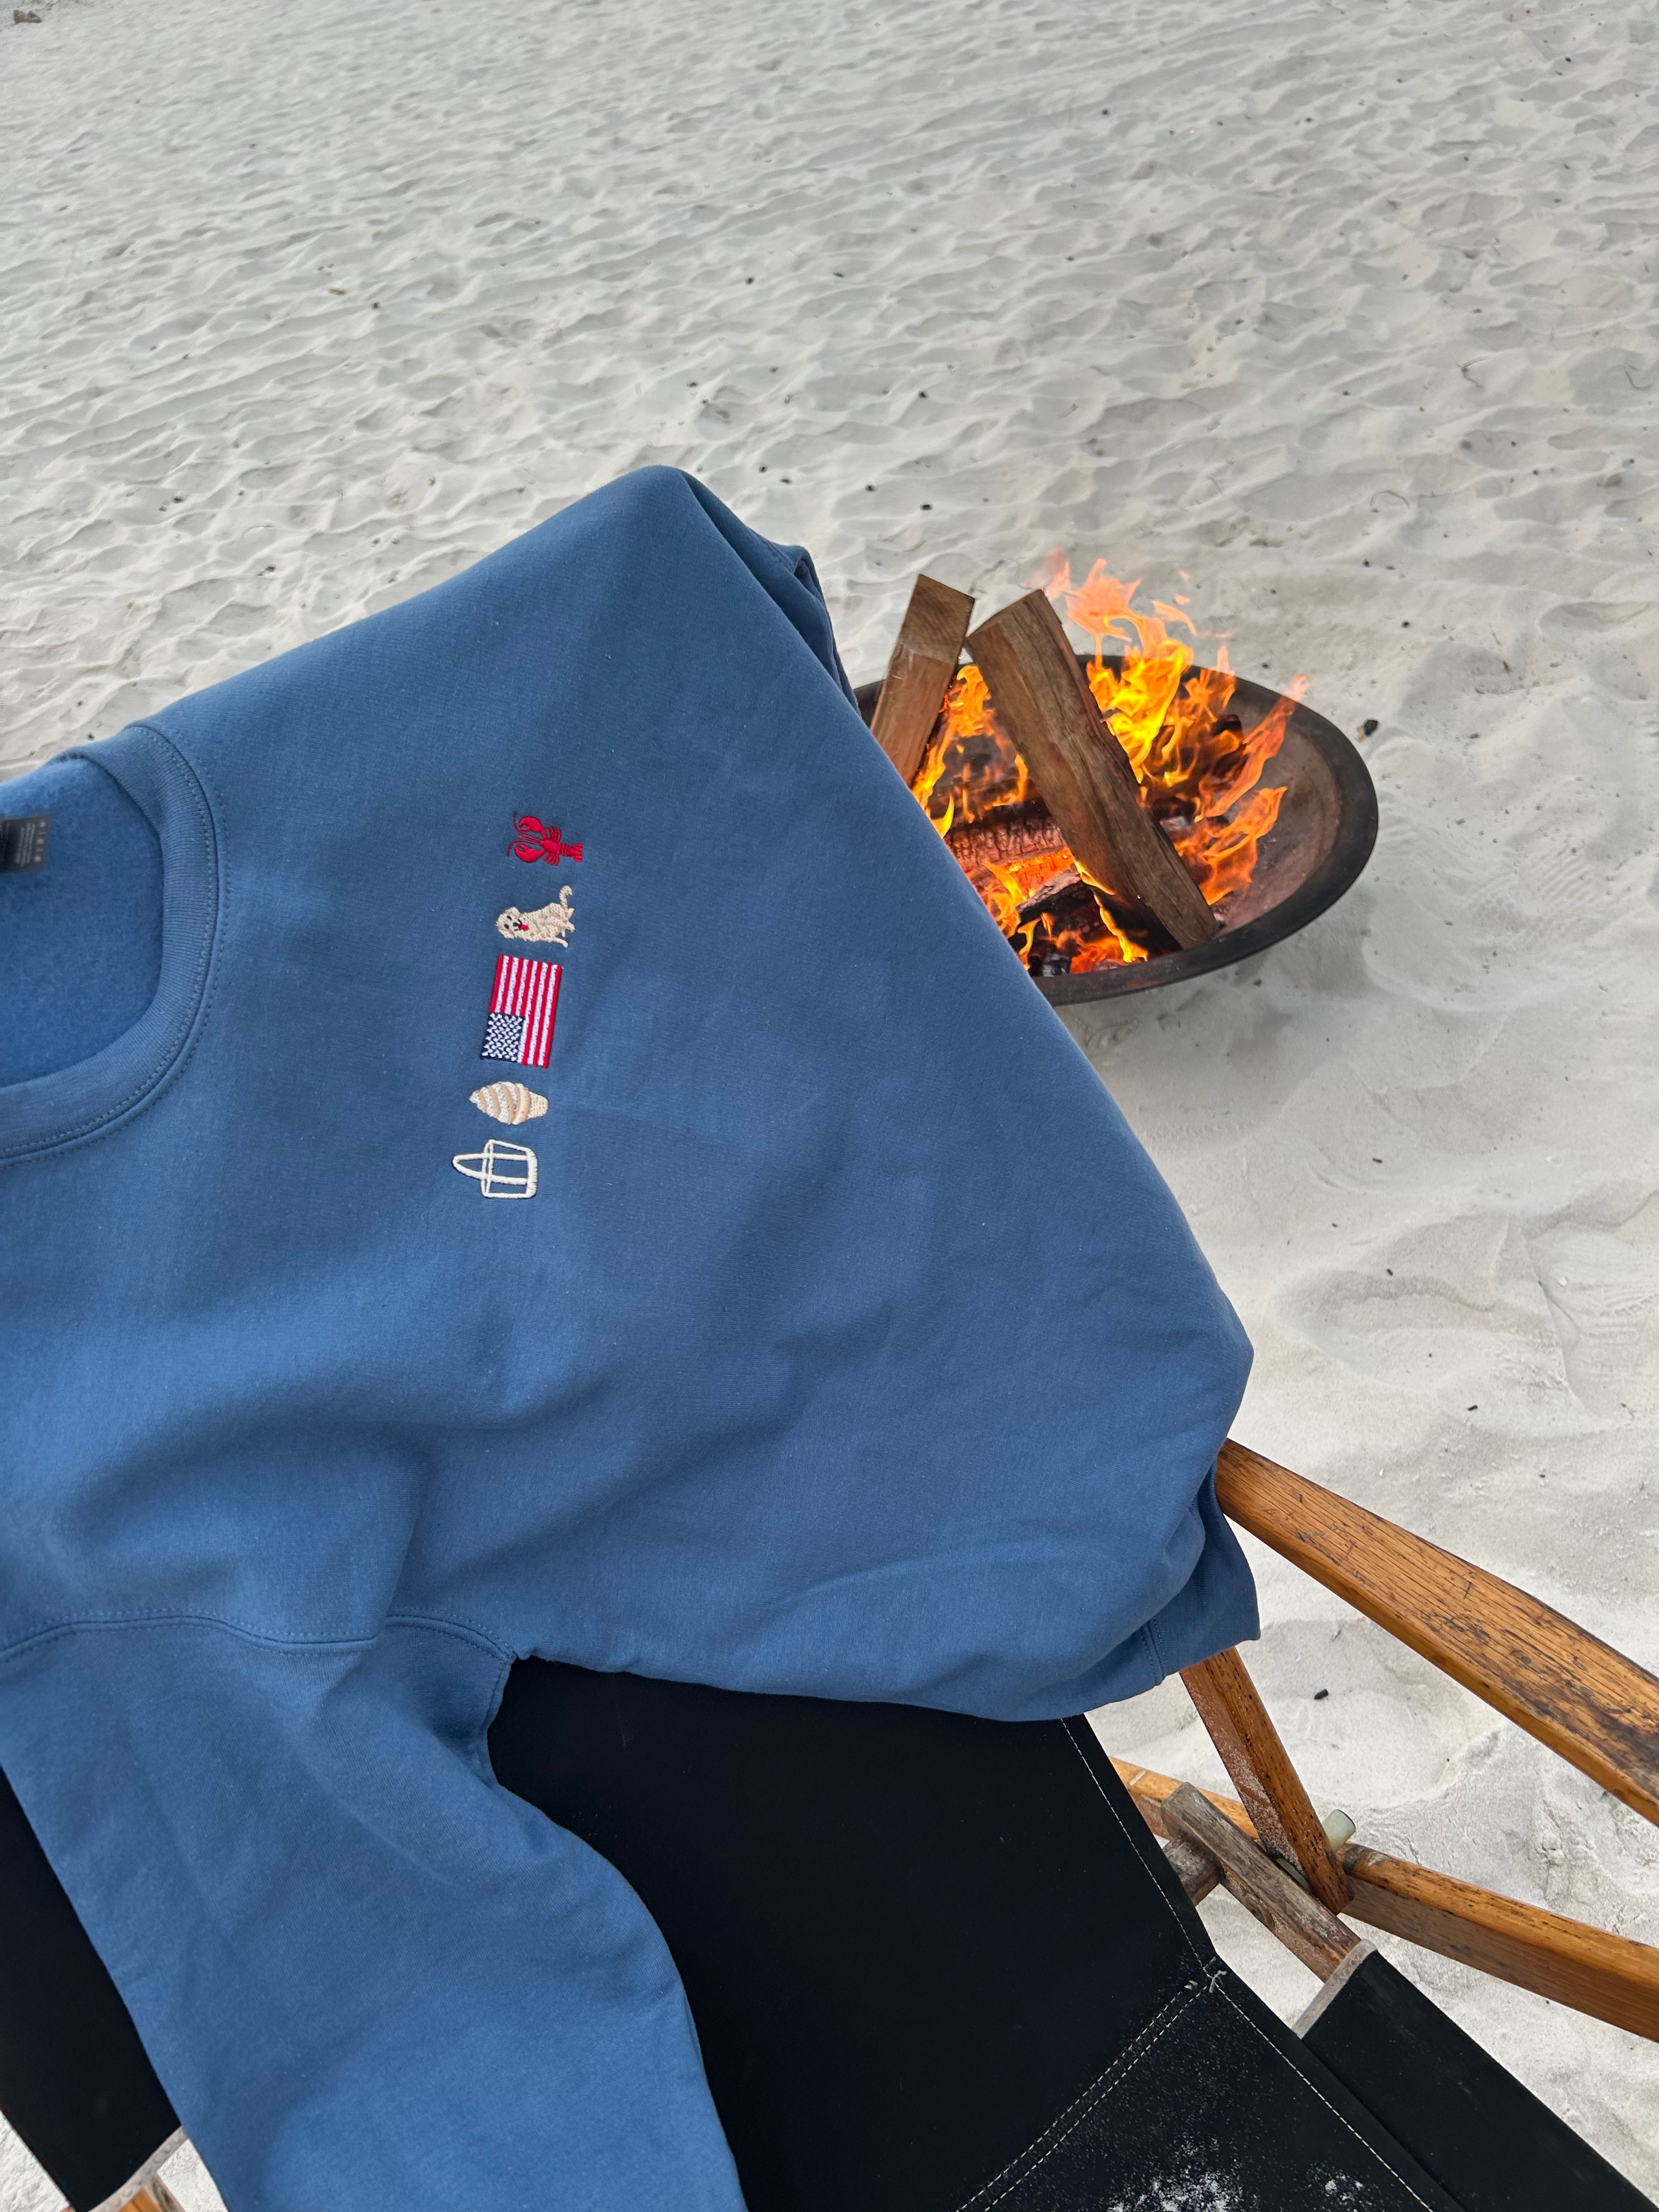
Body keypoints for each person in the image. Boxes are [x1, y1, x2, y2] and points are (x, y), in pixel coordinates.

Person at [0, 470, 1279, 2211]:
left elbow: (388, 2012)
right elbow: (372, 1996)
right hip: (1037, 1478)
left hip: (1032, 1436)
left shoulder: (460, 706)